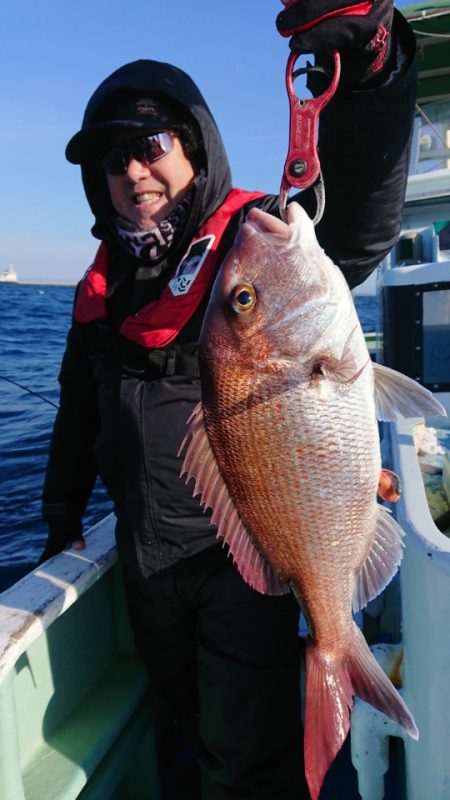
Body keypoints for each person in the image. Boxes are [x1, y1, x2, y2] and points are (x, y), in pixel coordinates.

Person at [40, 2, 417, 798]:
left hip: (238, 559)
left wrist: (374, 61)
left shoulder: (257, 242)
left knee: (248, 758)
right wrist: (62, 524)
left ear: (193, 146)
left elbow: (356, 223)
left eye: (149, 147)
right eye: (113, 159)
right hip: (147, 561)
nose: (133, 171)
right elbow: (78, 416)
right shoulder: (102, 288)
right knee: (183, 725)